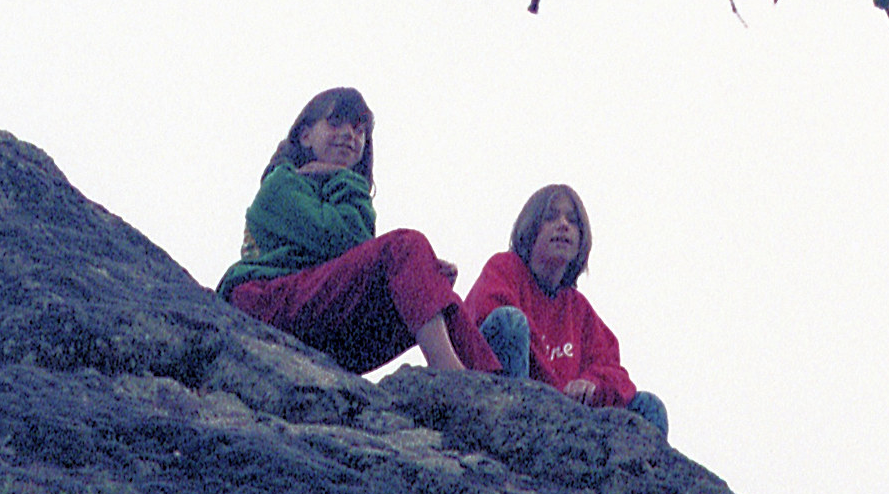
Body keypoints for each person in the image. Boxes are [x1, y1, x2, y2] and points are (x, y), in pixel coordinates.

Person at [216, 87, 499, 375]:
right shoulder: (281, 183)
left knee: (431, 286)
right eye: (336, 122)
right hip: (265, 302)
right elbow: (344, 243)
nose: (350, 134)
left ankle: (492, 385)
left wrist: (423, 276)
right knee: (406, 245)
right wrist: (343, 177)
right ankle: (451, 372)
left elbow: (354, 257)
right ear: (305, 136)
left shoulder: (343, 192)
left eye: (359, 128)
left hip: (320, 320)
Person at [464, 184, 668, 437]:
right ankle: (511, 443)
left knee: (648, 407)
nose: (563, 225)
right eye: (551, 217)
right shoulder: (504, 269)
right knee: (510, 323)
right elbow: (486, 331)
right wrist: (557, 392)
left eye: (572, 220)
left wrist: (592, 384)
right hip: (505, 405)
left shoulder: (578, 309)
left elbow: (615, 372)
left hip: (561, 421)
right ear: (530, 229)